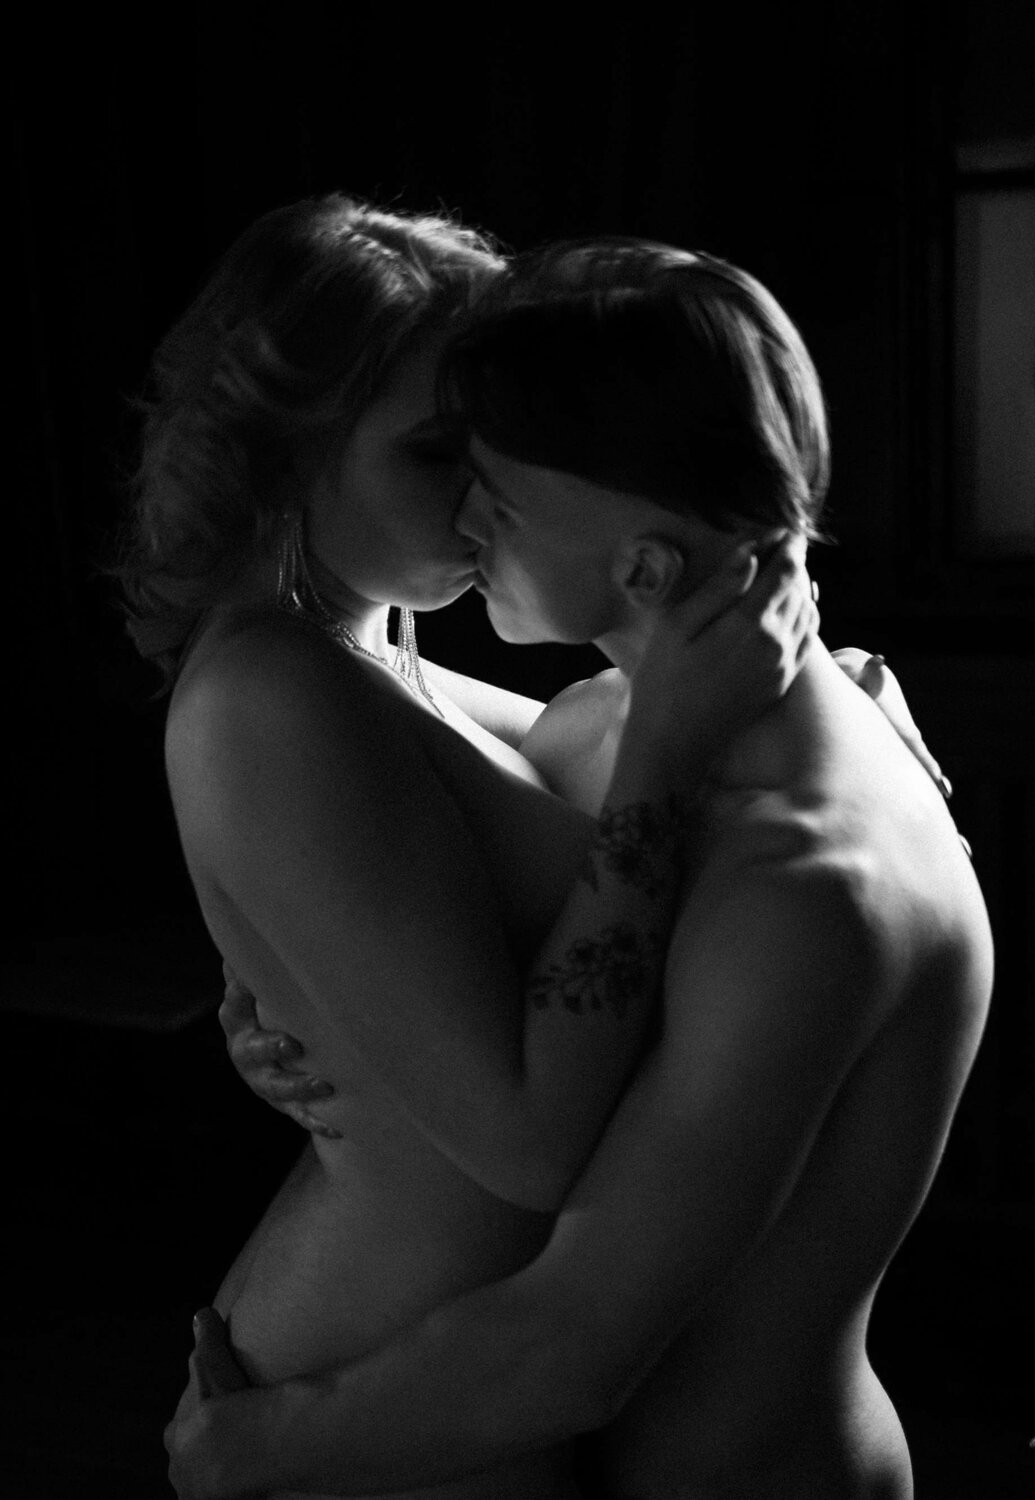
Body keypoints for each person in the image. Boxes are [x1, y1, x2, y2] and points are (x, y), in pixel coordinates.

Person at [164, 239, 992, 1499]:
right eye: (441, 456)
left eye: (495, 480)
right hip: (436, 1404)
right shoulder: (596, 727)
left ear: (643, 564)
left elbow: (574, 1333)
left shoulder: (793, 860)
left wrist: (250, 1447)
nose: (469, 511)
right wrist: (309, 993)